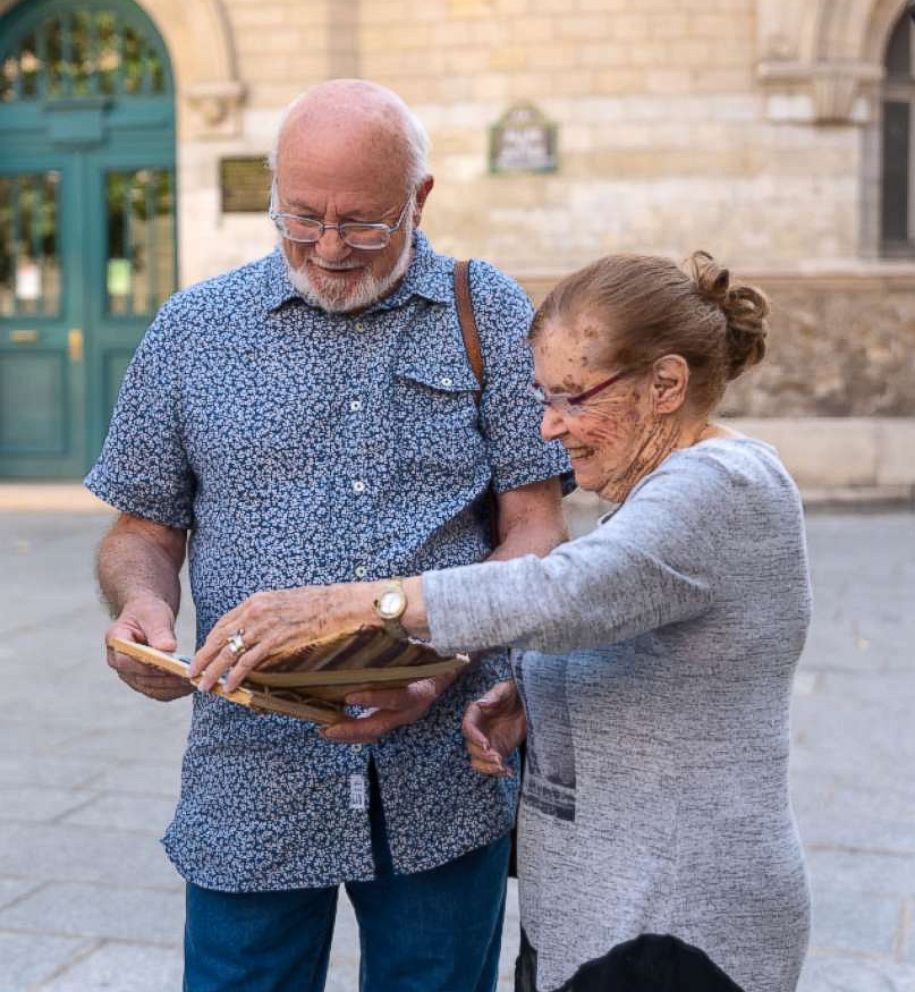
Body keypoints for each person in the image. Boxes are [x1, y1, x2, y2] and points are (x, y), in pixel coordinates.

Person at [192, 251, 813, 992]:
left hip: (678, 924)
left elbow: (565, 593)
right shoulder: (664, 489)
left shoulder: (720, 487)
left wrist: (350, 604)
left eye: (573, 398)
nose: (550, 428)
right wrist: (537, 692)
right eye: (543, 398)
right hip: (610, 918)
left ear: (666, 385)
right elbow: (636, 627)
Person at [86, 78, 570, 992]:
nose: (331, 247)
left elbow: (537, 526)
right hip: (251, 770)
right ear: (274, 189)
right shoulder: (193, 329)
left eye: (365, 223)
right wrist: (142, 605)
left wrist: (439, 661)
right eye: (301, 217)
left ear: (419, 199)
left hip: (445, 766)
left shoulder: (489, 312)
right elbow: (141, 525)